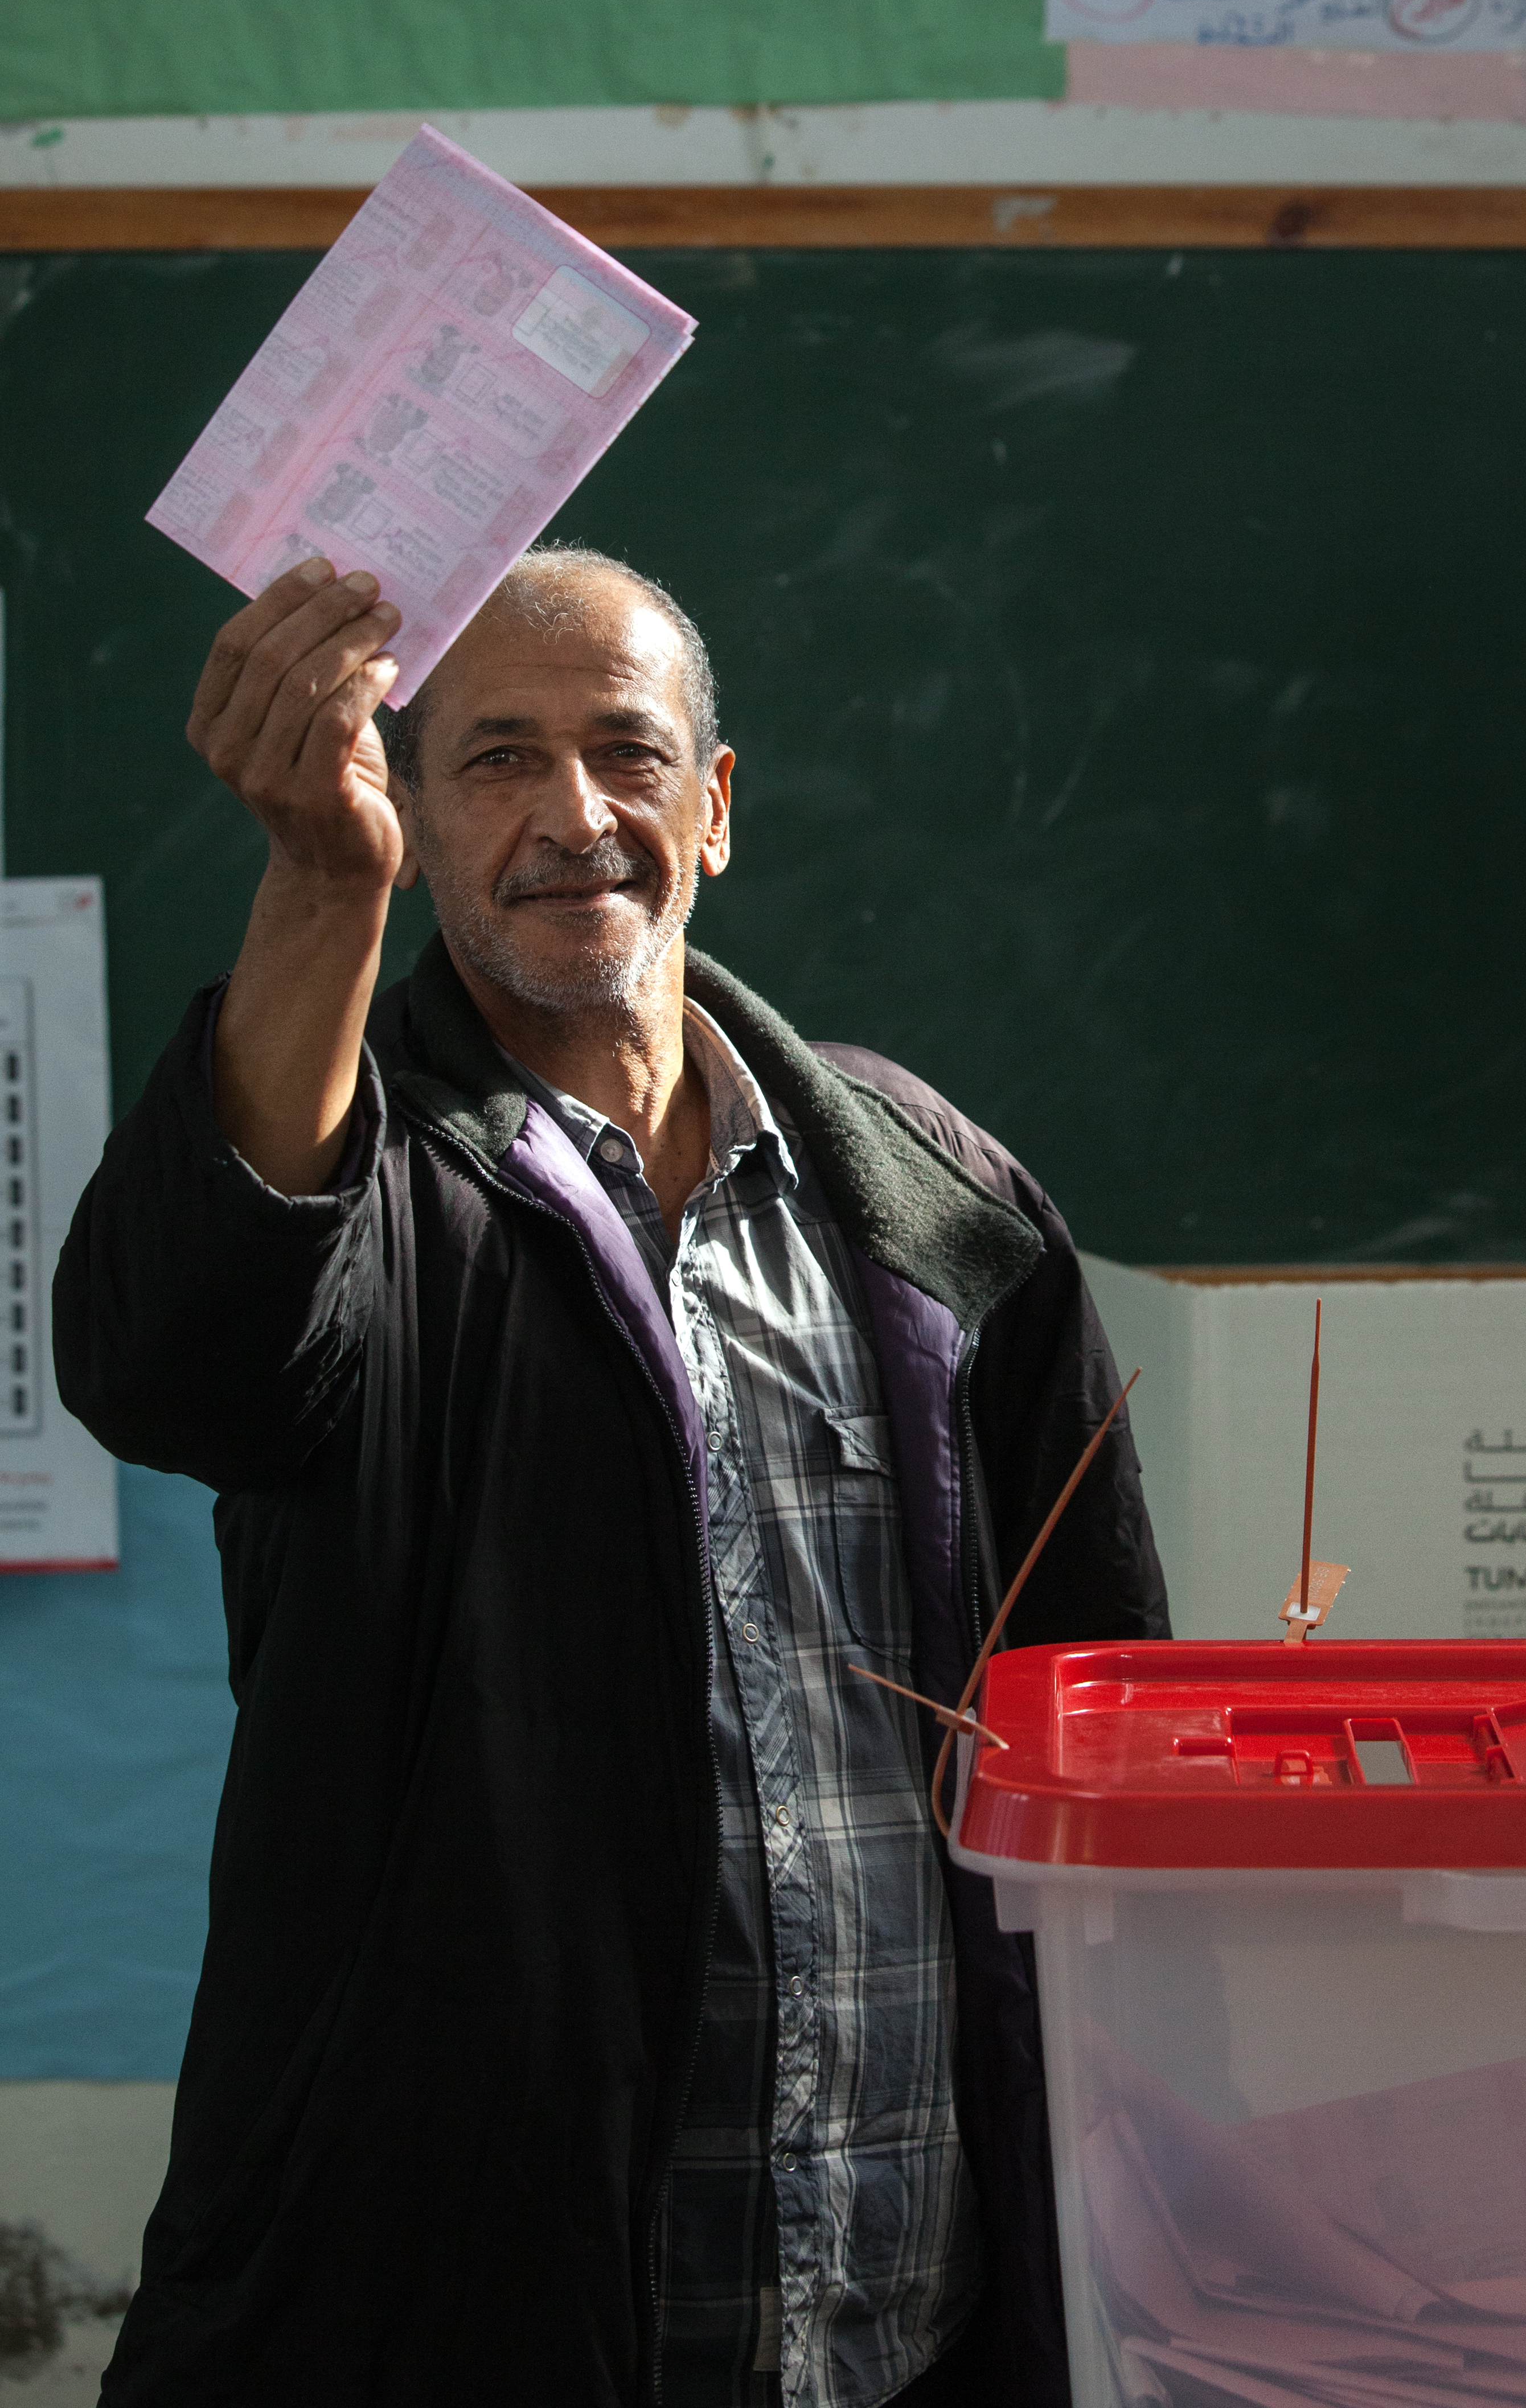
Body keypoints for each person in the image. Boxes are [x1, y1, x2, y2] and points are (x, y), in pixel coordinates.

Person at [54, 547, 1168, 2408]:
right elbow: (178, 1354)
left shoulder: (928, 1201)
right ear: (407, 804)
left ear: (711, 805)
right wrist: (322, 885)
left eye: (624, 751)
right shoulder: (371, 1176)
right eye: (492, 759)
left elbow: (1096, 1708)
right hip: (455, 2327)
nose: (573, 811)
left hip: (919, 2329)